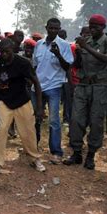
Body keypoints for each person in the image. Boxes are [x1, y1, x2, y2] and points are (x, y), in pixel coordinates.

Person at [0, 39, 46, 178]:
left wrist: (39, 107)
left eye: (7, 52)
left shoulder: (23, 63)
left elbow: (36, 83)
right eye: (2, 51)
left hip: (22, 101)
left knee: (28, 131)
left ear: (13, 50)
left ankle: (34, 158)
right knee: (1, 130)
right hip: (5, 101)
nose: (4, 54)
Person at [64, 14, 107, 170]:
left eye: (96, 27)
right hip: (82, 85)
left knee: (96, 121)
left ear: (103, 28)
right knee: (76, 119)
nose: (92, 29)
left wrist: (86, 48)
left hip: (100, 87)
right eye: (91, 26)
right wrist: (79, 53)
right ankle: (77, 152)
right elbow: (77, 65)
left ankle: (91, 155)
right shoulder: (84, 42)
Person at [32, 18, 73, 164]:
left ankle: (56, 152)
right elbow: (34, 65)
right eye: (51, 28)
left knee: (54, 120)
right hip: (37, 87)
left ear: (59, 29)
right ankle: (32, 147)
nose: (53, 31)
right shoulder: (39, 44)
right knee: (34, 118)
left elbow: (67, 67)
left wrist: (58, 54)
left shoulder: (64, 45)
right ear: (46, 27)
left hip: (54, 86)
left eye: (56, 28)